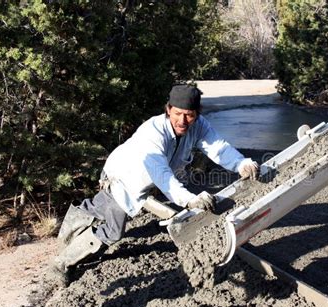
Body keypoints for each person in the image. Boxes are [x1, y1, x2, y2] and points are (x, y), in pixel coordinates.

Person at [51, 84, 259, 285]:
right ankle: (61, 264)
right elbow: (162, 174)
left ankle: (73, 228)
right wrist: (189, 200)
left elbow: (218, 147)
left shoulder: (199, 126)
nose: (183, 120)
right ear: (168, 110)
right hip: (124, 178)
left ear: (197, 113)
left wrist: (241, 163)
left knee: (100, 208)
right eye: (177, 113)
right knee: (114, 231)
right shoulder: (153, 132)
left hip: (146, 183)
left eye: (189, 115)